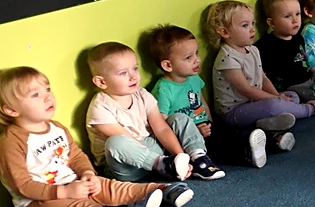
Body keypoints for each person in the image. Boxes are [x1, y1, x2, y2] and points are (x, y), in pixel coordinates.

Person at [0, 67, 176, 207]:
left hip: (73, 182)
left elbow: (76, 156)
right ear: (11, 110)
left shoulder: (56, 127)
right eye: (35, 95)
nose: (48, 97)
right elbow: (23, 186)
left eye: (48, 89)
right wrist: (63, 192)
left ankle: (160, 190)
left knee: (109, 186)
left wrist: (87, 174)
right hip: (38, 201)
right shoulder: (9, 143)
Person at [86, 42, 222, 182]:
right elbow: (131, 141)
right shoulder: (100, 107)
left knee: (179, 118)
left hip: (154, 149)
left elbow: (161, 128)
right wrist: (158, 160)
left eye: (135, 69)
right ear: (101, 82)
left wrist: (181, 157)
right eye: (123, 73)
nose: (133, 77)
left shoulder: (142, 95)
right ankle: (164, 166)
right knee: (116, 142)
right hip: (128, 164)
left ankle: (197, 158)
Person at [204, 0, 315, 157]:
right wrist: (277, 100)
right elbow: (246, 90)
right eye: (245, 25)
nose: (252, 29)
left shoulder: (253, 50)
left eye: (252, 23)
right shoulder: (227, 59)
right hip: (233, 112)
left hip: (253, 103)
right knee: (274, 104)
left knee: (291, 95)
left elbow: (263, 78)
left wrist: (279, 96)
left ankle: (265, 124)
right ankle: (310, 109)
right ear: (225, 32)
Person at [147, 24, 264, 170]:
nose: (197, 60)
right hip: (187, 136)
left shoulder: (193, 77)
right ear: (168, 65)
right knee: (216, 146)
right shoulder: (164, 89)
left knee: (228, 130)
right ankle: (246, 154)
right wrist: (196, 132)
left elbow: (201, 101)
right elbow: (163, 125)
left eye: (196, 53)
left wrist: (211, 121)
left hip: (205, 123)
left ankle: (269, 141)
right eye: (188, 57)